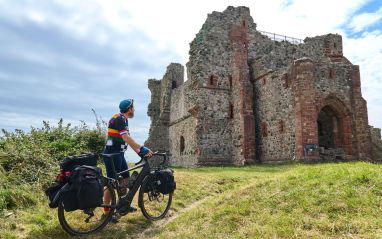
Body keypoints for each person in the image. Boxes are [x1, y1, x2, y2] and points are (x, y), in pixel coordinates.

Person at [102, 99, 153, 218]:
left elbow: (127, 140)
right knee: (111, 182)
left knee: (125, 179)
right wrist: (142, 148)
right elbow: (126, 138)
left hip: (118, 154)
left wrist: (139, 152)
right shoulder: (119, 118)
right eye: (133, 108)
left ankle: (124, 204)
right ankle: (106, 213)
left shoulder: (122, 119)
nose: (134, 110)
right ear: (129, 109)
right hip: (112, 155)